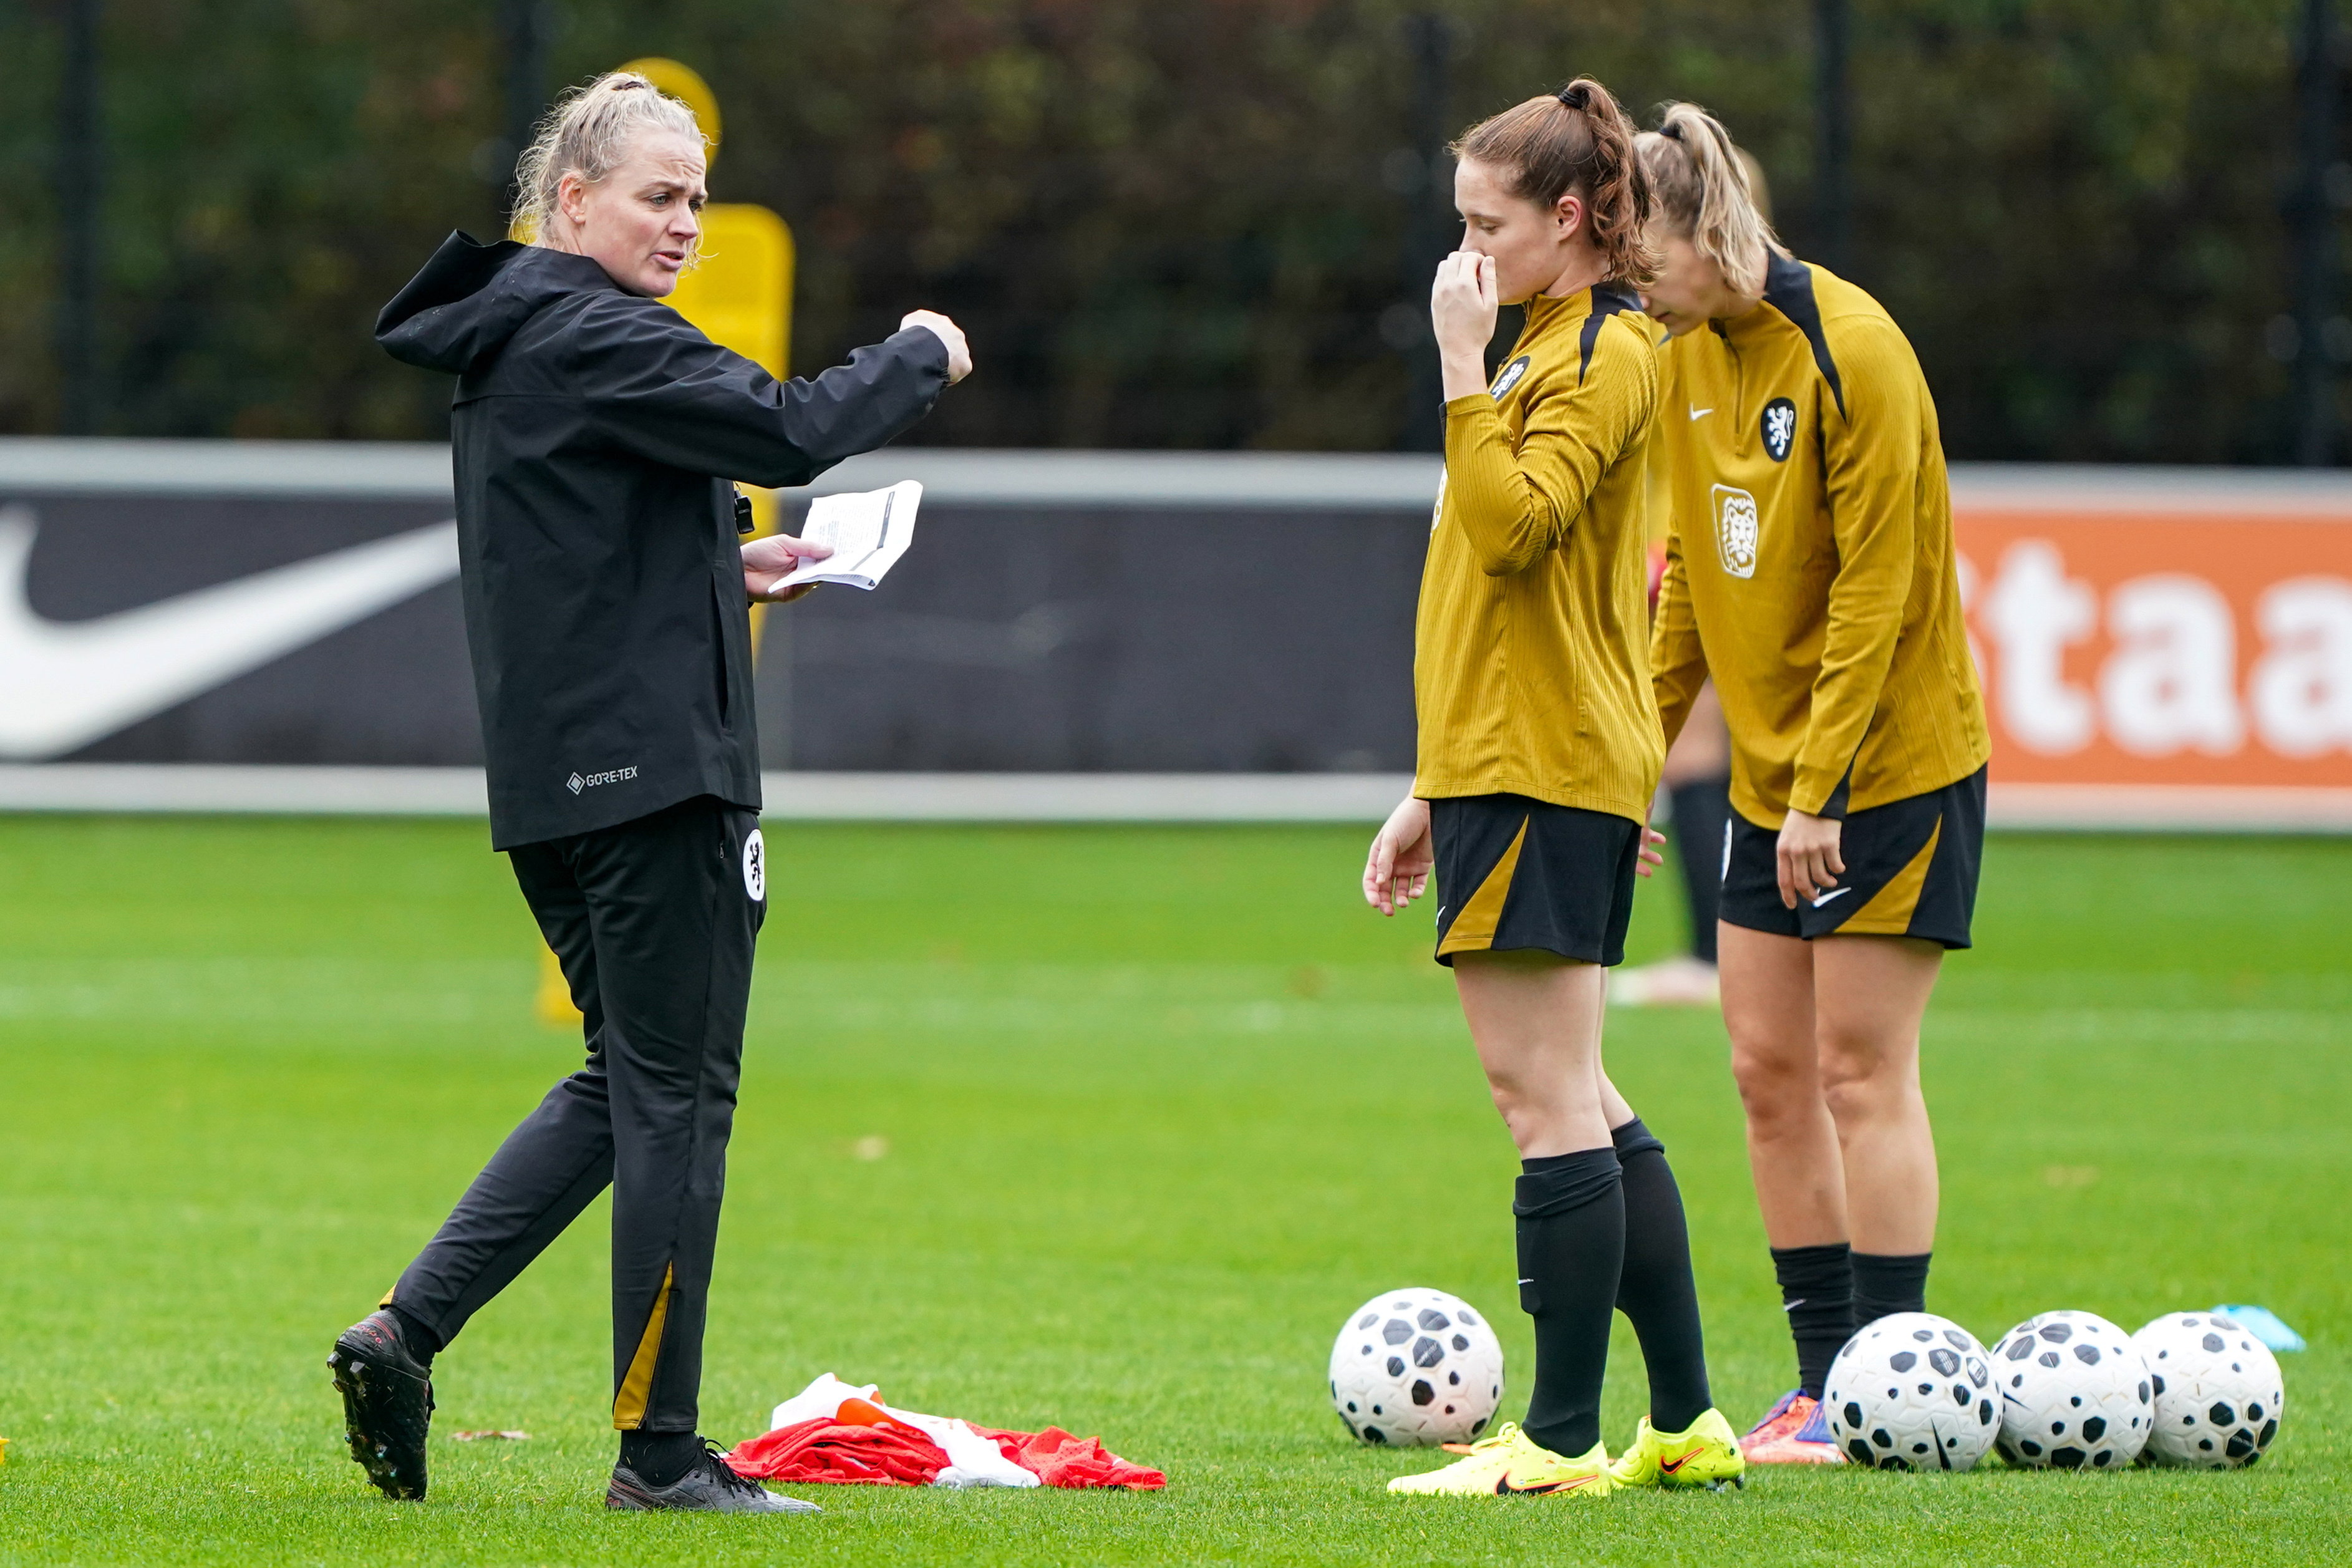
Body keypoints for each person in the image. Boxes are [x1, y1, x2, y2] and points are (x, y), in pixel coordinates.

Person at [335, 71, 972, 1512]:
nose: (685, 222)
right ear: (572, 202)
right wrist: (921, 351)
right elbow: (792, 429)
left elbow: (574, 544)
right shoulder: (597, 327)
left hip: (555, 782)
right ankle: (661, 1453)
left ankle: (403, 1331)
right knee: (678, 1100)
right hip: (656, 780)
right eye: (657, 196)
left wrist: (721, 563)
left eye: (696, 197)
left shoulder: (516, 331)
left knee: (623, 1080)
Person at [1362, 78, 1743, 1501]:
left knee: (1543, 1103)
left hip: (1539, 762)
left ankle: (1563, 1441)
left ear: (1570, 218)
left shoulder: (1605, 350)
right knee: (1579, 1089)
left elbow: (1512, 532)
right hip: (1505, 758)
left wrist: (1458, 366)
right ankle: (1686, 1421)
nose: (1463, 252)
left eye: (1486, 225)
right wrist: (1433, 781)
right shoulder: (1544, 344)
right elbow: (1492, 593)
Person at [1636, 102, 1990, 1465]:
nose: (1631, 283)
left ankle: (1894, 1388)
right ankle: (1820, 1388)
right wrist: (1633, 765)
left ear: (1708, 231)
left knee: (1858, 1069)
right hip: (1771, 784)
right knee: (1765, 1071)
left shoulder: (1856, 349)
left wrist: (1819, 792)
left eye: (1644, 254)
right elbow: (1684, 583)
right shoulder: (1681, 356)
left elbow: (1878, 593)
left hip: (1884, 770)